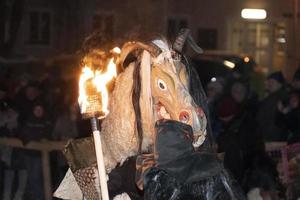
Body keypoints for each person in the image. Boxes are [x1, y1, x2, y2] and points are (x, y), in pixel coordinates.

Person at [256, 71, 289, 142]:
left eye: (272, 82)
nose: (269, 84)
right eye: (269, 81)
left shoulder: (278, 98)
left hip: (270, 138)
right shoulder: (272, 97)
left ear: (280, 84)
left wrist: (266, 137)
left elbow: (271, 119)